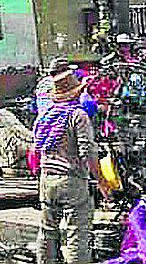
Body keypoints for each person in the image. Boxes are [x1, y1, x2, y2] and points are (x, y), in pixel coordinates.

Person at [29, 67, 99, 264]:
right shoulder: (77, 115)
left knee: (47, 232)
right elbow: (88, 151)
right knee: (77, 234)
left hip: (46, 180)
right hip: (72, 179)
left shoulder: (45, 117)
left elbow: (36, 147)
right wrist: (100, 180)